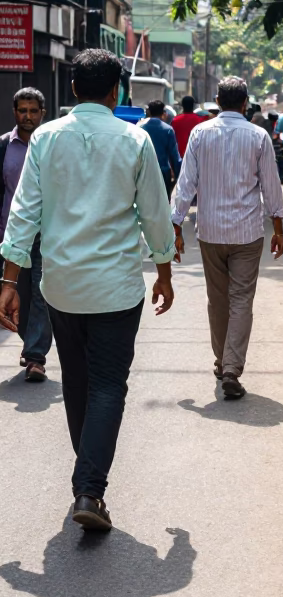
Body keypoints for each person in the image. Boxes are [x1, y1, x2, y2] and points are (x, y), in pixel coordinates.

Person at [0, 49, 176, 532]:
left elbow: (23, 213)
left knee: (78, 383)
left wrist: (9, 280)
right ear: (116, 91)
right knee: (107, 386)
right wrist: (163, 269)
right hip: (117, 288)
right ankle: (90, 488)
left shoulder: (46, 139)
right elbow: (155, 214)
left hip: (60, 286)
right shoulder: (135, 140)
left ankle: (86, 478)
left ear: (73, 89)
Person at [171, 75, 283, 400]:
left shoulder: (200, 134)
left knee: (218, 299)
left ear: (218, 101)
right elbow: (271, 187)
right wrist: (278, 227)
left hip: (210, 231)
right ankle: (232, 368)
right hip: (248, 232)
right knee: (241, 301)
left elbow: (186, 185)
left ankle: (224, 363)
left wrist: (176, 225)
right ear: (246, 103)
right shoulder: (259, 136)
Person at [0, 87, 52, 382]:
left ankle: (35, 357)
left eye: (33, 111)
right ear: (15, 112)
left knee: (42, 295)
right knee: (17, 294)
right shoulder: (4, 147)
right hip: (12, 237)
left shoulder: (52, 145)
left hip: (46, 235)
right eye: (23, 110)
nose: (28, 116)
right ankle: (29, 342)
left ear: (42, 113)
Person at [141, 99, 181, 197]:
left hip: (145, 173)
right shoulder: (168, 130)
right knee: (163, 206)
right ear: (163, 113)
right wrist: (178, 177)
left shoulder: (141, 128)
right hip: (163, 174)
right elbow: (174, 157)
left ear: (149, 112)